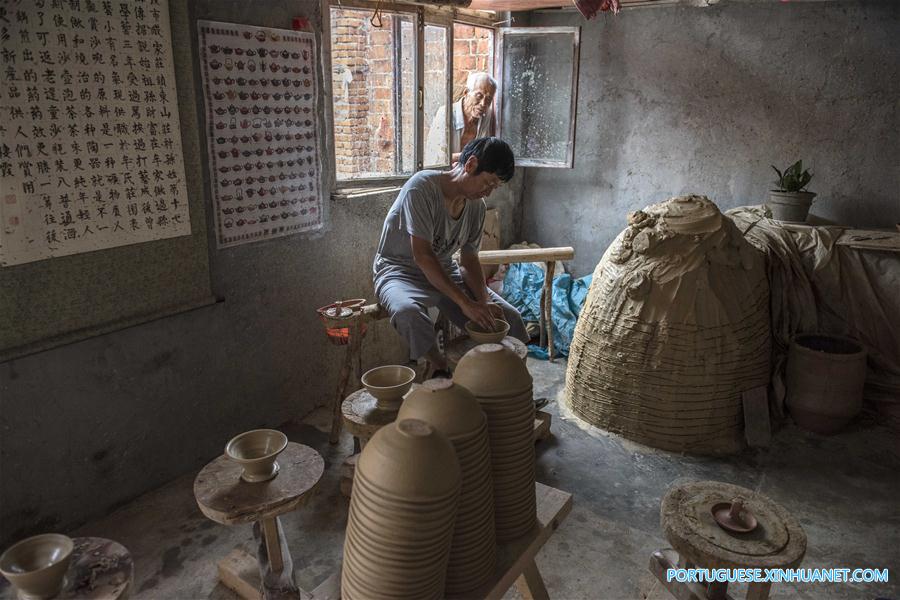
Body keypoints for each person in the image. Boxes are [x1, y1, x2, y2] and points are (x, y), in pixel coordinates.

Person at [373, 137, 528, 374]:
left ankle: (515, 380)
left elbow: (469, 259)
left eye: (494, 187)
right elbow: (423, 256)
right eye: (488, 183)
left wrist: (483, 301)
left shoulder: (476, 206)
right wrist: (466, 304)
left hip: (443, 269)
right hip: (399, 271)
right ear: (471, 164)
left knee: (510, 317)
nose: (488, 192)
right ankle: (441, 367)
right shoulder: (422, 188)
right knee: (407, 313)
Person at [425, 72, 497, 167]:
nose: (483, 103)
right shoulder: (445, 114)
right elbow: (437, 158)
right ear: (466, 93)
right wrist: (468, 156)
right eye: (479, 96)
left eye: (488, 99)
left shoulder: (487, 116)